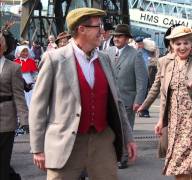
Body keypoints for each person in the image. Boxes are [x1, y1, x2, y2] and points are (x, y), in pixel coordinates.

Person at [29, 8, 137, 180]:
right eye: (97, 26)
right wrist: (38, 148)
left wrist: (128, 138)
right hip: (66, 142)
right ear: (81, 29)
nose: (102, 31)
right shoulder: (54, 59)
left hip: (102, 140)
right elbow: (38, 107)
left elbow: (117, 102)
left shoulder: (104, 59)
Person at [139, 26, 192, 180]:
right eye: (178, 44)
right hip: (176, 124)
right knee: (179, 165)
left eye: (186, 43)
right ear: (171, 44)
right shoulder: (165, 62)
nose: (182, 47)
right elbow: (163, 94)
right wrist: (159, 119)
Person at [104, 24, 147, 169]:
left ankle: (123, 156)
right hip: (109, 99)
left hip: (128, 100)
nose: (116, 38)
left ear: (127, 39)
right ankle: (113, 154)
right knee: (110, 129)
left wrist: (139, 101)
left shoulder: (136, 54)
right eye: (115, 36)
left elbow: (142, 80)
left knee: (125, 129)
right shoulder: (106, 52)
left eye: (120, 36)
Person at [0, 24, 28, 180]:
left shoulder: (13, 68)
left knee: (3, 162)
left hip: (6, 120)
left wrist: (24, 120)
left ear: (3, 47)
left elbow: (19, 95)